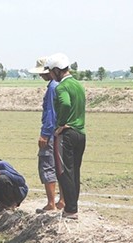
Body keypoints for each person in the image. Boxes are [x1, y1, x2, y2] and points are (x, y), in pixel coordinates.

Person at [46, 53, 86, 220]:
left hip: (67, 134)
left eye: (50, 72)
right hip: (80, 133)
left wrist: (61, 124)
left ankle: (70, 209)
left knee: (63, 172)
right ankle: (73, 206)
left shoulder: (62, 87)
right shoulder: (78, 85)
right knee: (74, 171)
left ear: (56, 70)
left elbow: (65, 103)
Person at [28, 56, 65, 213]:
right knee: (60, 166)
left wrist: (44, 134)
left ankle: (51, 203)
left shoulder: (52, 88)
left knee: (47, 165)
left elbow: (51, 113)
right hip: (60, 133)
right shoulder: (60, 85)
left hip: (51, 133)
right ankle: (63, 200)